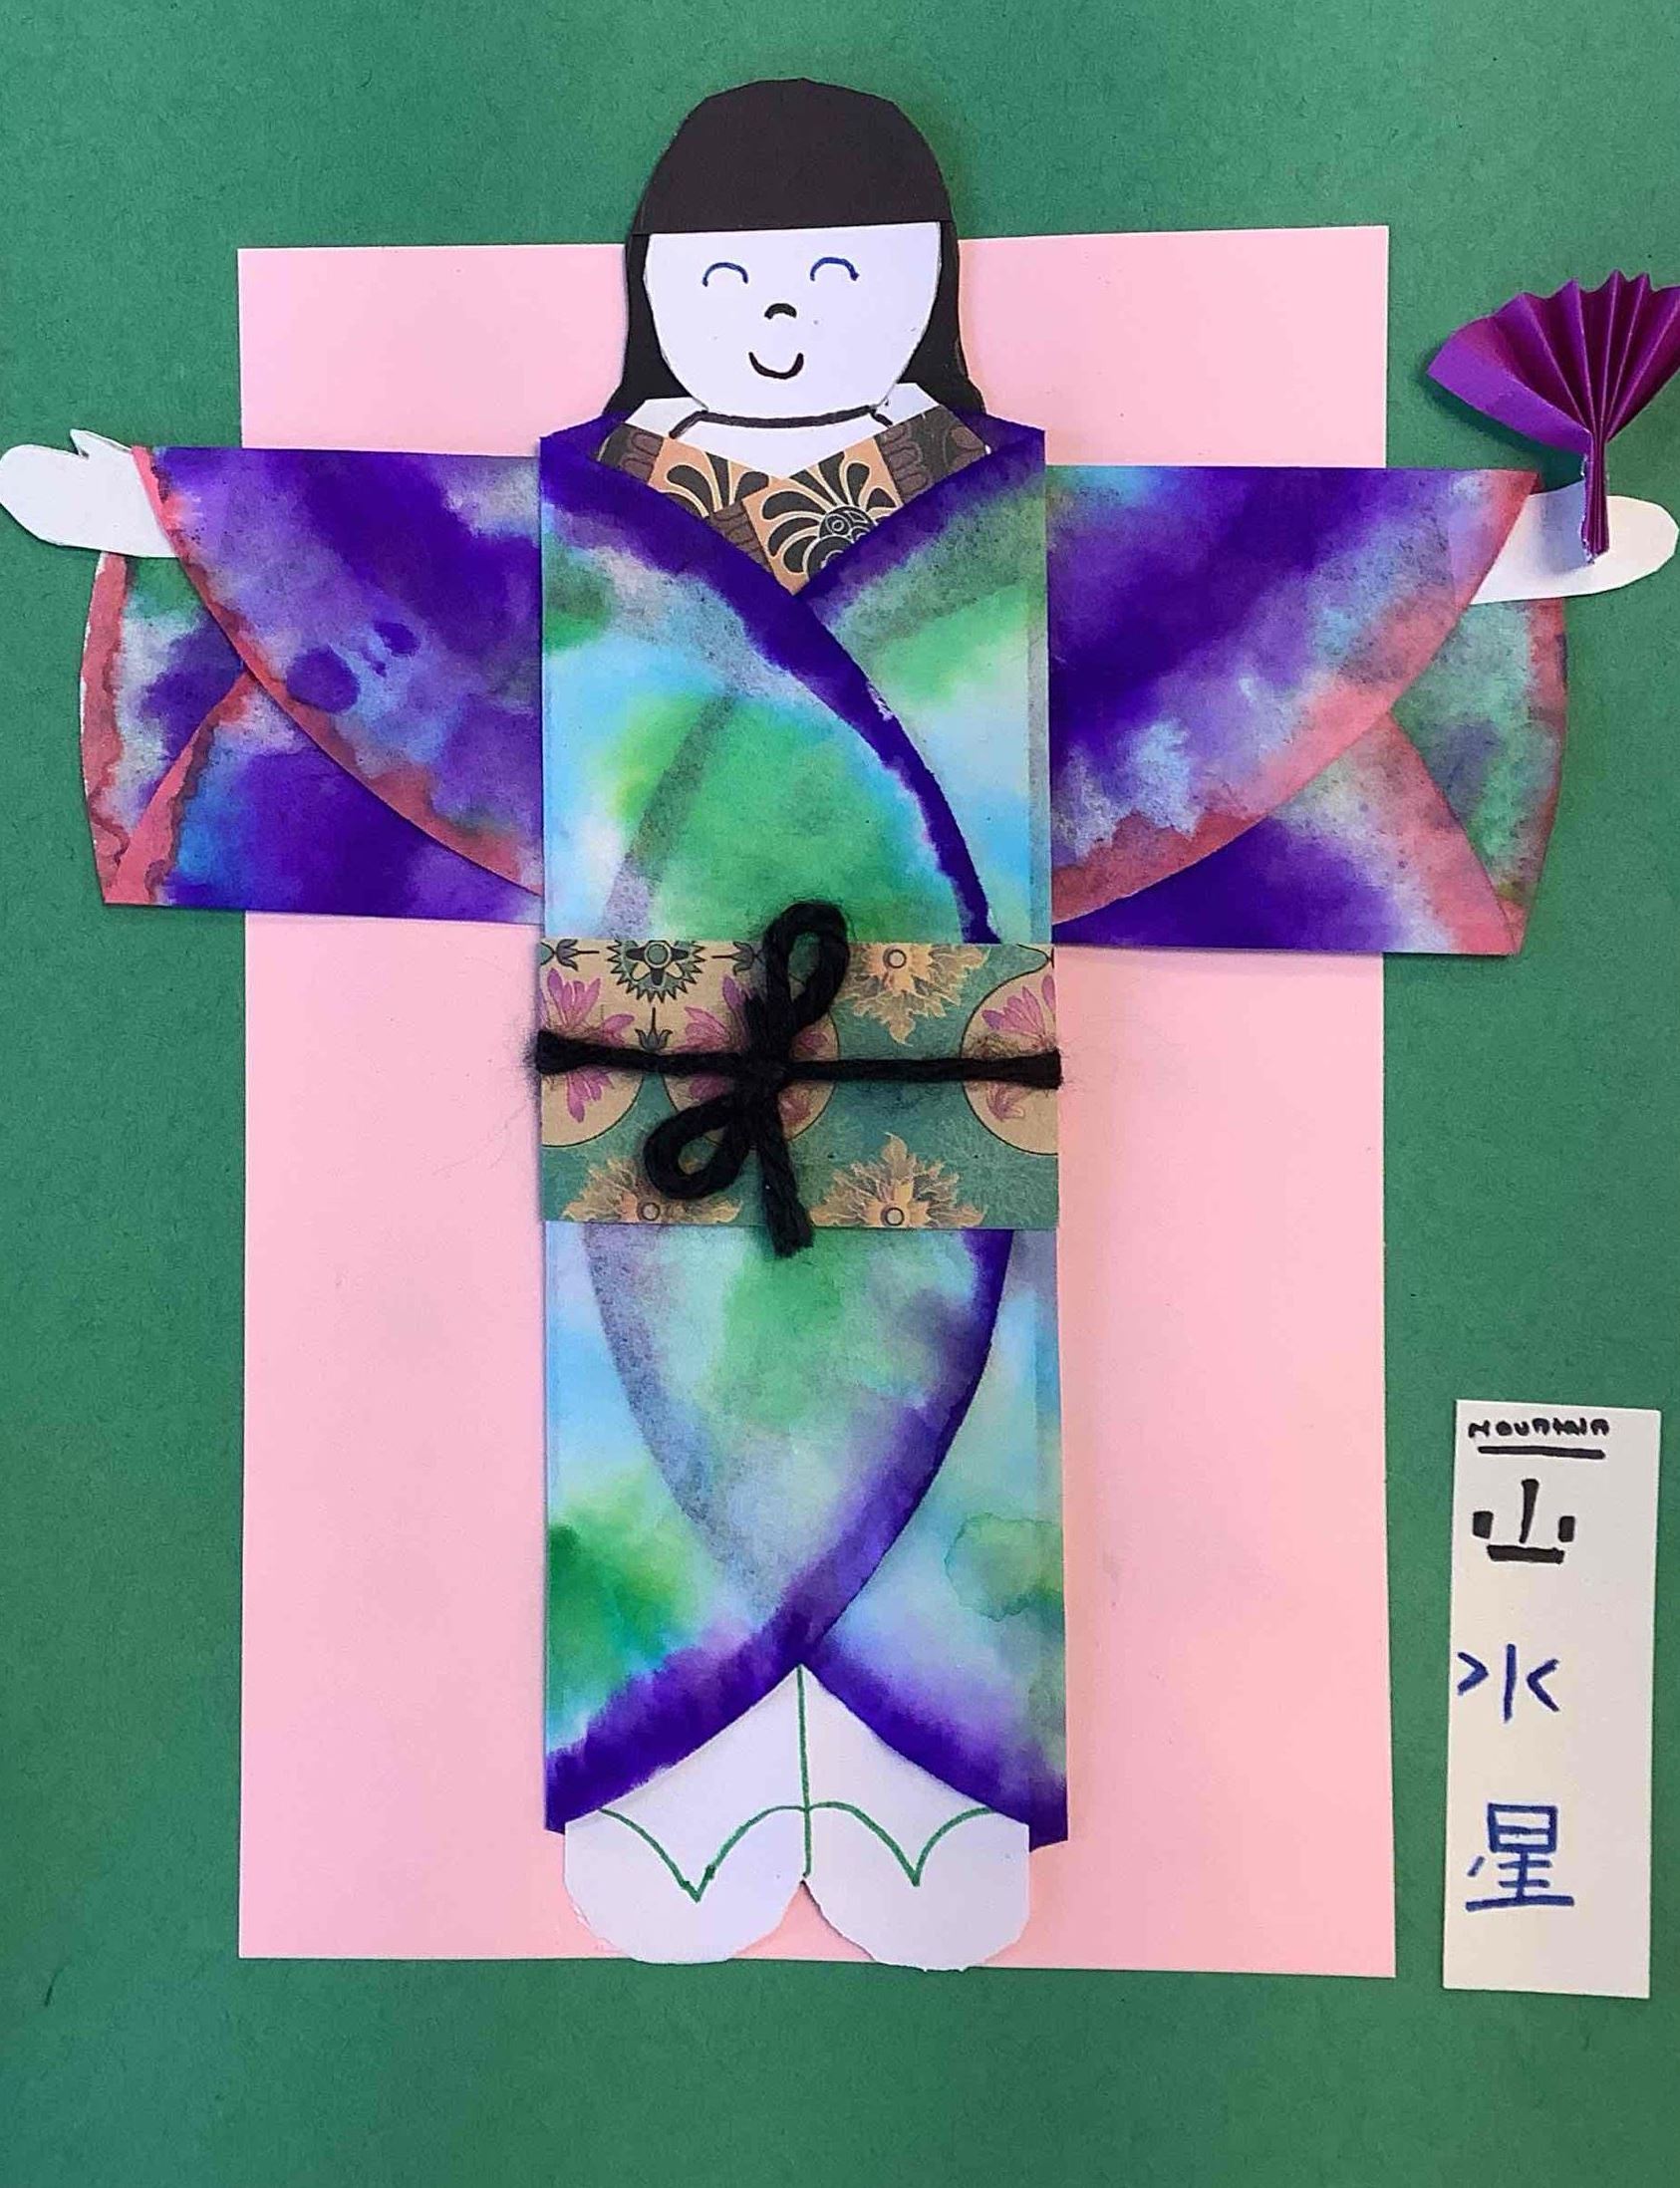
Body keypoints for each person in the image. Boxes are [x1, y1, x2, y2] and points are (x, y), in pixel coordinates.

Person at [1, 79, 1671, 1968]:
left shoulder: (1003, 518)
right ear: (653, 295)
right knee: (652, 1427)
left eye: (833, 281)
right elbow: (377, 570)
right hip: (659, 1046)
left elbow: (1245, 598)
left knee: (944, 1416)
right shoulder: (581, 515)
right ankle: (682, 1780)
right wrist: (165, 506)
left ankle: (921, 1786)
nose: (780, 323)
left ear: (926, 291)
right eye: (727, 285)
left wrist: (1504, 548)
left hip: (930, 1039)